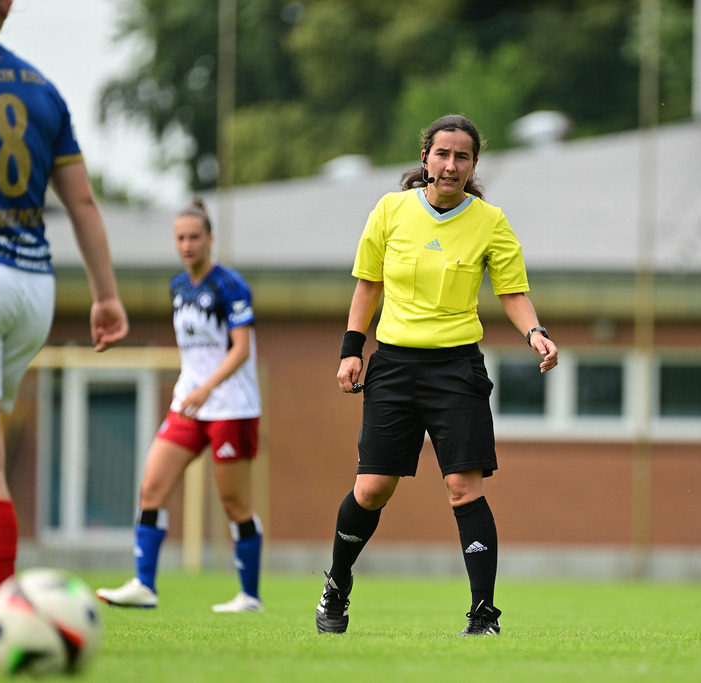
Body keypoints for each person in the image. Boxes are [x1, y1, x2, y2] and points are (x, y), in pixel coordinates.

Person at [0, 0, 129, 657]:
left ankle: (1, 625)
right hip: (32, 289)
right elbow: (83, 203)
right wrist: (106, 295)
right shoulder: (42, 89)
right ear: (6, 5)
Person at [316, 113, 558, 637]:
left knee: (462, 487)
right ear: (425, 156)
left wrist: (535, 333)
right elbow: (367, 285)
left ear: (473, 165)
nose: (451, 165)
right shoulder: (390, 209)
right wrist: (351, 350)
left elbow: (512, 291)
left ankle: (483, 614)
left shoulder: (491, 221)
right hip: (395, 366)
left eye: (462, 157)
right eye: (442, 154)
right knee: (372, 488)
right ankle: (336, 585)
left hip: (456, 369)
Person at [96, 199, 264, 614]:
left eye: (194, 237)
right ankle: (144, 585)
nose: (187, 245)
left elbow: (241, 350)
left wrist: (206, 387)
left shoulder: (230, 285)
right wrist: (193, 388)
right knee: (152, 486)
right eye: (181, 238)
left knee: (234, 504)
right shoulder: (177, 287)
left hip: (231, 406)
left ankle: (249, 596)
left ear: (210, 239)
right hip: (188, 404)